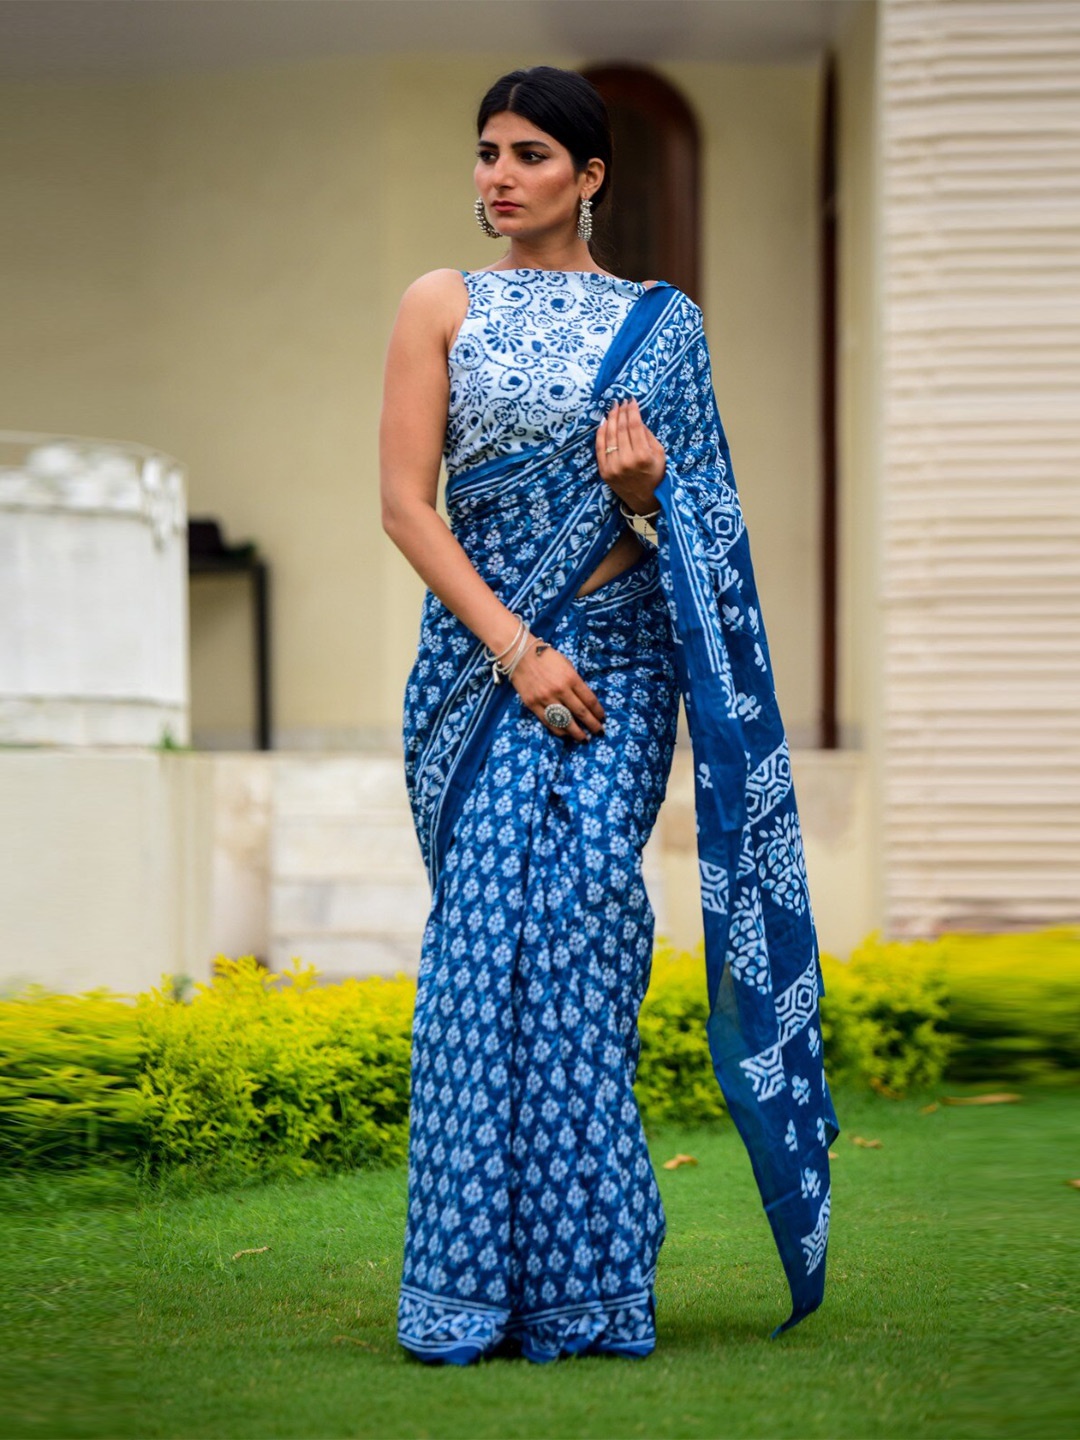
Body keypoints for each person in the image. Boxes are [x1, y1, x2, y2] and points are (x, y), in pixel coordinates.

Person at [379, 65, 840, 1366]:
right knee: (481, 949)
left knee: (582, 929)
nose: (500, 176)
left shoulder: (663, 327)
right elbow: (407, 505)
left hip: (621, 663)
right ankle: (466, 1289)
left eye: (530, 154)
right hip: (485, 664)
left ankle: (589, 1287)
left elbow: (704, 532)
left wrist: (642, 490)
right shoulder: (441, 303)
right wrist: (518, 648)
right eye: (486, 152)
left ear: (591, 176)